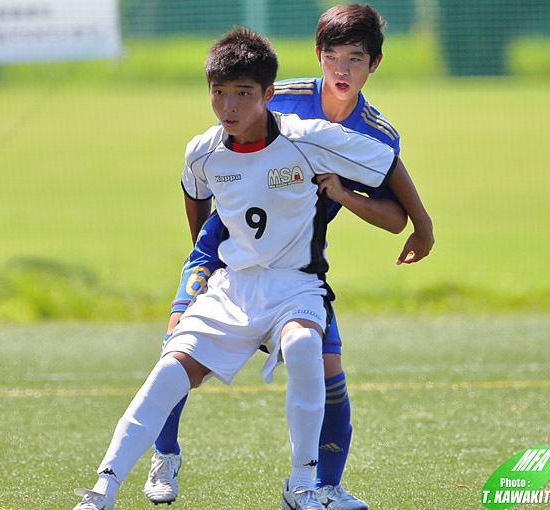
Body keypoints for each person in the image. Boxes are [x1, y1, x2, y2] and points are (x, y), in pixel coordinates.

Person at [73, 27, 405, 510]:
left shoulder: (310, 138)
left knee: (306, 347)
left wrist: (421, 225)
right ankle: (103, 491)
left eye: (242, 94)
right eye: (218, 93)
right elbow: (195, 192)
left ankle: (305, 487)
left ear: (268, 95)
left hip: (296, 284)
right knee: (169, 368)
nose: (229, 105)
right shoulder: (203, 149)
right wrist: (204, 261)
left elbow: (390, 164)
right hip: (231, 281)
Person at [145, 4, 434, 510]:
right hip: (230, 246)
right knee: (177, 344)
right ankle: (164, 455)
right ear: (318, 56)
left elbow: (394, 206)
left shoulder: (375, 132)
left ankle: (323, 487)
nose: (341, 70)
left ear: (375, 64)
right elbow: (209, 161)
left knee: (329, 369)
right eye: (332, 57)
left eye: (355, 58)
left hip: (296, 266)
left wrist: (361, 202)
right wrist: (208, 252)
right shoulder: (284, 97)